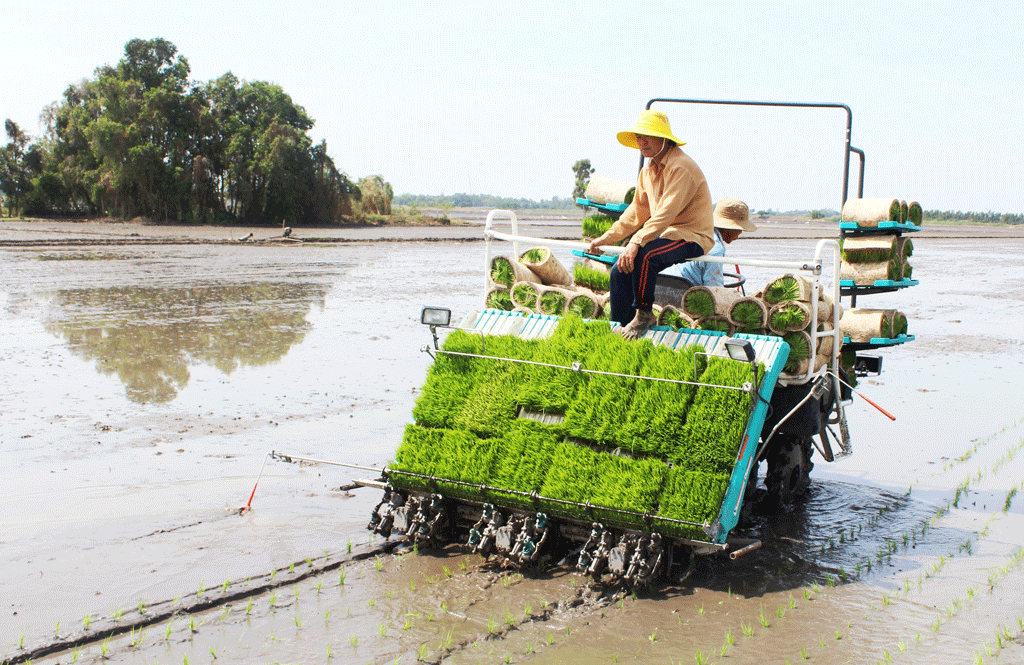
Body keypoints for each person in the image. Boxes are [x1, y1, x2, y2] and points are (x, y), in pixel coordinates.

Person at [586, 110, 714, 339]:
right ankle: (620, 325)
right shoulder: (648, 170)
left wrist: (636, 242)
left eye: (647, 136)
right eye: (638, 137)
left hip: (693, 236)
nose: (641, 142)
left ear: (664, 138)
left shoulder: (680, 167)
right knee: (619, 270)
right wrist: (607, 238)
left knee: (645, 256)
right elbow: (637, 211)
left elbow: (665, 213)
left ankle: (644, 315)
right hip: (667, 234)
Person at [654, 197, 757, 302]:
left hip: (661, 291)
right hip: (686, 299)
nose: (740, 233)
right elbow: (715, 289)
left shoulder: (694, 232)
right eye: (739, 229)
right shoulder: (715, 248)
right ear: (729, 228)